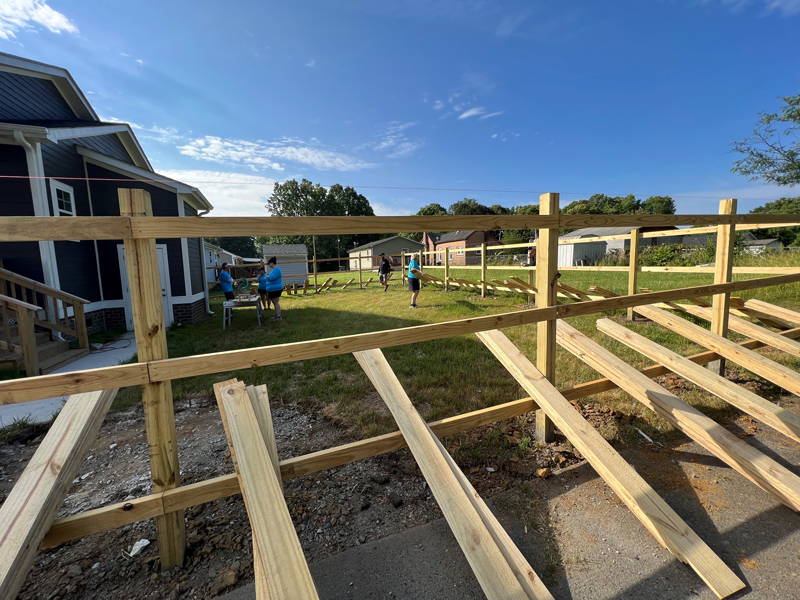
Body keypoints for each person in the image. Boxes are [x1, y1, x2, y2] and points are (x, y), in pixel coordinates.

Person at [264, 256, 284, 320]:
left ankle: (279, 316)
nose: (269, 265)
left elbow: (272, 277)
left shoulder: (276, 269)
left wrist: (267, 276)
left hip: (276, 289)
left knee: (276, 302)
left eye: (269, 264)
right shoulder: (274, 270)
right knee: (274, 302)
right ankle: (277, 315)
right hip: (273, 289)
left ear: (272, 263)